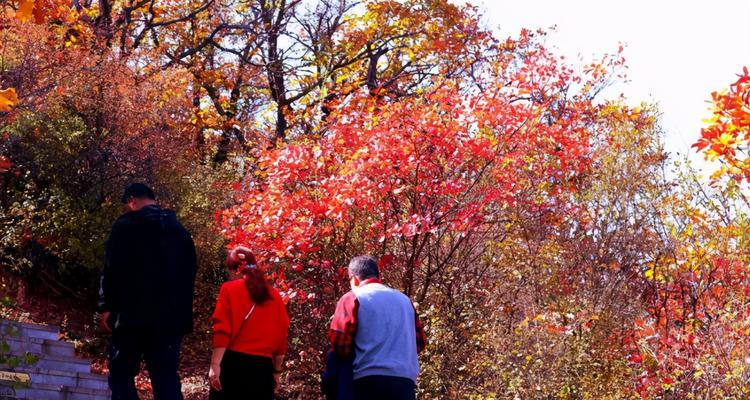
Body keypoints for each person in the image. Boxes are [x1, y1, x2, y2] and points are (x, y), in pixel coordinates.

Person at [98, 183, 197, 400]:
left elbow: (112, 268)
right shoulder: (180, 232)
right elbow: (189, 276)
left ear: (132, 200)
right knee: (166, 377)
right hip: (169, 321)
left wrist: (106, 306)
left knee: (121, 373)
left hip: (130, 317)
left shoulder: (125, 226)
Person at [328, 256, 428, 400]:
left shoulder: (353, 298)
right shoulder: (405, 301)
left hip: (368, 381)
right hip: (405, 382)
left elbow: (340, 344)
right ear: (378, 276)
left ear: (354, 279)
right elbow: (420, 342)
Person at [209, 246, 290, 400]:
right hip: (262, 370)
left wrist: (215, 365)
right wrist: (277, 372)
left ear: (235, 270)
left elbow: (222, 330)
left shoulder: (228, 289)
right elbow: (282, 336)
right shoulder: (274, 295)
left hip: (232, 366)